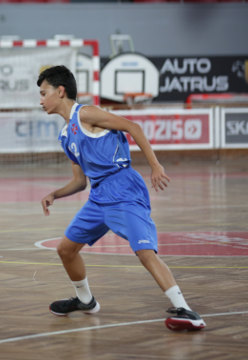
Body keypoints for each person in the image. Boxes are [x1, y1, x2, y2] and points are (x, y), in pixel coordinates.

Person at [37, 65, 205, 331]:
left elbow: (133, 127)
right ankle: (85, 301)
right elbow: (81, 182)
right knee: (66, 250)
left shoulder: (87, 114)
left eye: (44, 93)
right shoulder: (66, 135)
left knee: (144, 251)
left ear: (60, 91)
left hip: (123, 188)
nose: (41, 99)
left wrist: (155, 165)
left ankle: (186, 309)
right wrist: (54, 194)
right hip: (98, 196)